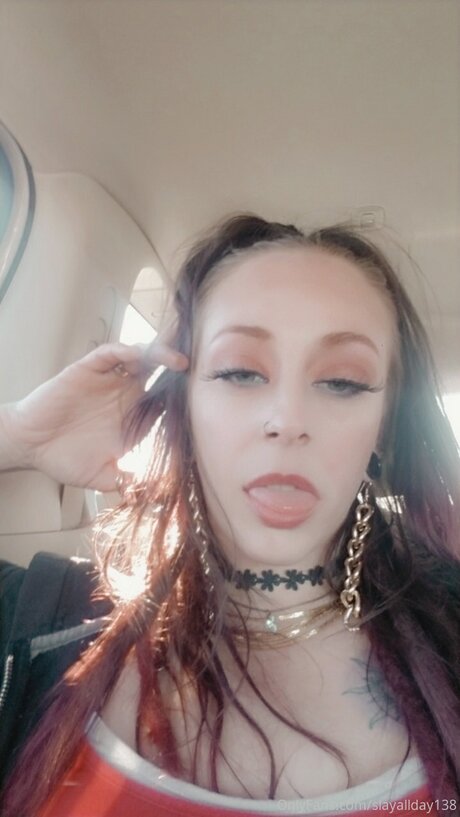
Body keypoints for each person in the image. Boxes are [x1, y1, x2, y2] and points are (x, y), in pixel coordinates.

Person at [0, 214, 459, 817]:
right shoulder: (38, 622)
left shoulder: (448, 630)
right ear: (184, 407)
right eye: (240, 372)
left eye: (342, 381)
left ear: (383, 428)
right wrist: (19, 434)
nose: (287, 420)